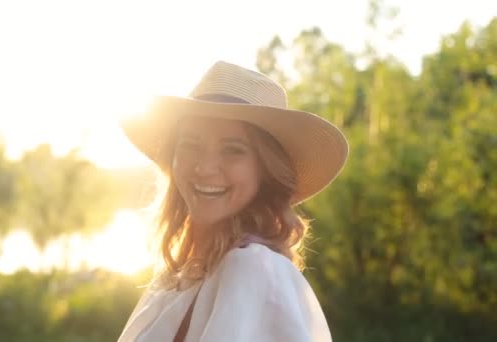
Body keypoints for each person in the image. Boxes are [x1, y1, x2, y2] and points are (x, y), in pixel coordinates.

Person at [117, 61, 348, 342]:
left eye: (232, 150)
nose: (205, 167)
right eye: (191, 145)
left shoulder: (252, 269)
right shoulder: (179, 274)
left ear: (265, 169)